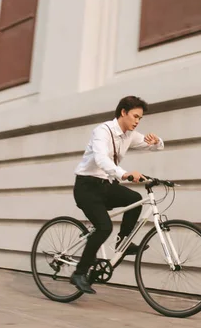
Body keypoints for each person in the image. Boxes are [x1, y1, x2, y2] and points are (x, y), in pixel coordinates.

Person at [70, 96, 164, 294]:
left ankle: (124, 241)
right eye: (135, 116)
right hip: (86, 187)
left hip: (106, 185)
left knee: (135, 199)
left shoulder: (129, 134)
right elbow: (101, 158)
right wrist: (125, 174)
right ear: (123, 112)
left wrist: (156, 141)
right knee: (104, 228)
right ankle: (79, 273)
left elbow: (155, 146)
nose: (137, 121)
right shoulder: (102, 132)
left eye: (140, 118)